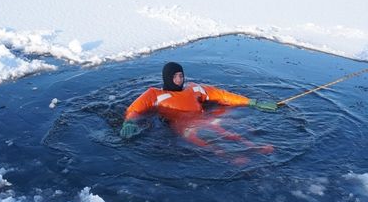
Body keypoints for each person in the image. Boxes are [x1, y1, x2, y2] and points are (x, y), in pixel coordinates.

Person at [119, 62, 278, 147]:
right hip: (181, 124)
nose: (180, 79)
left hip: (204, 118)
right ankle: (232, 158)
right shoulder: (154, 94)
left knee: (229, 132)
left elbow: (222, 95)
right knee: (208, 144)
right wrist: (129, 122)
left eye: (181, 75)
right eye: (175, 76)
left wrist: (252, 102)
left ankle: (255, 147)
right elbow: (135, 109)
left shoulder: (194, 88)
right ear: (168, 77)